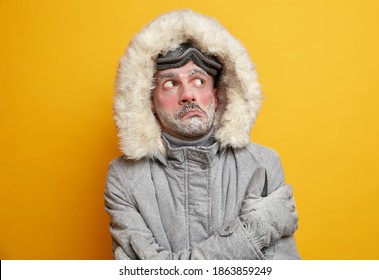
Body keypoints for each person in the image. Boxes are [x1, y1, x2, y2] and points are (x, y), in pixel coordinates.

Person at [105, 9, 300, 260]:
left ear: (218, 95)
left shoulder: (262, 165)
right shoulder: (125, 178)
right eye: (171, 83)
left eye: (198, 81)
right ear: (148, 101)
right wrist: (257, 229)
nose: (188, 95)